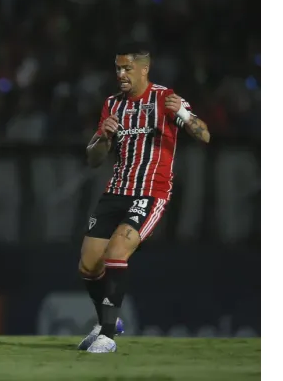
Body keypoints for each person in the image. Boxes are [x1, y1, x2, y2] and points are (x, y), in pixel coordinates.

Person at [78, 43, 211, 353]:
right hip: (115, 191)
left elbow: (204, 135)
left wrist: (181, 113)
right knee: (88, 266)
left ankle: (108, 336)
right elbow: (93, 159)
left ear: (143, 70)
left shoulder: (165, 98)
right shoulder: (112, 104)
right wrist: (102, 138)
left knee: (118, 249)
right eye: (117, 69)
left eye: (126, 69)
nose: (120, 74)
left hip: (151, 192)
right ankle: (106, 322)